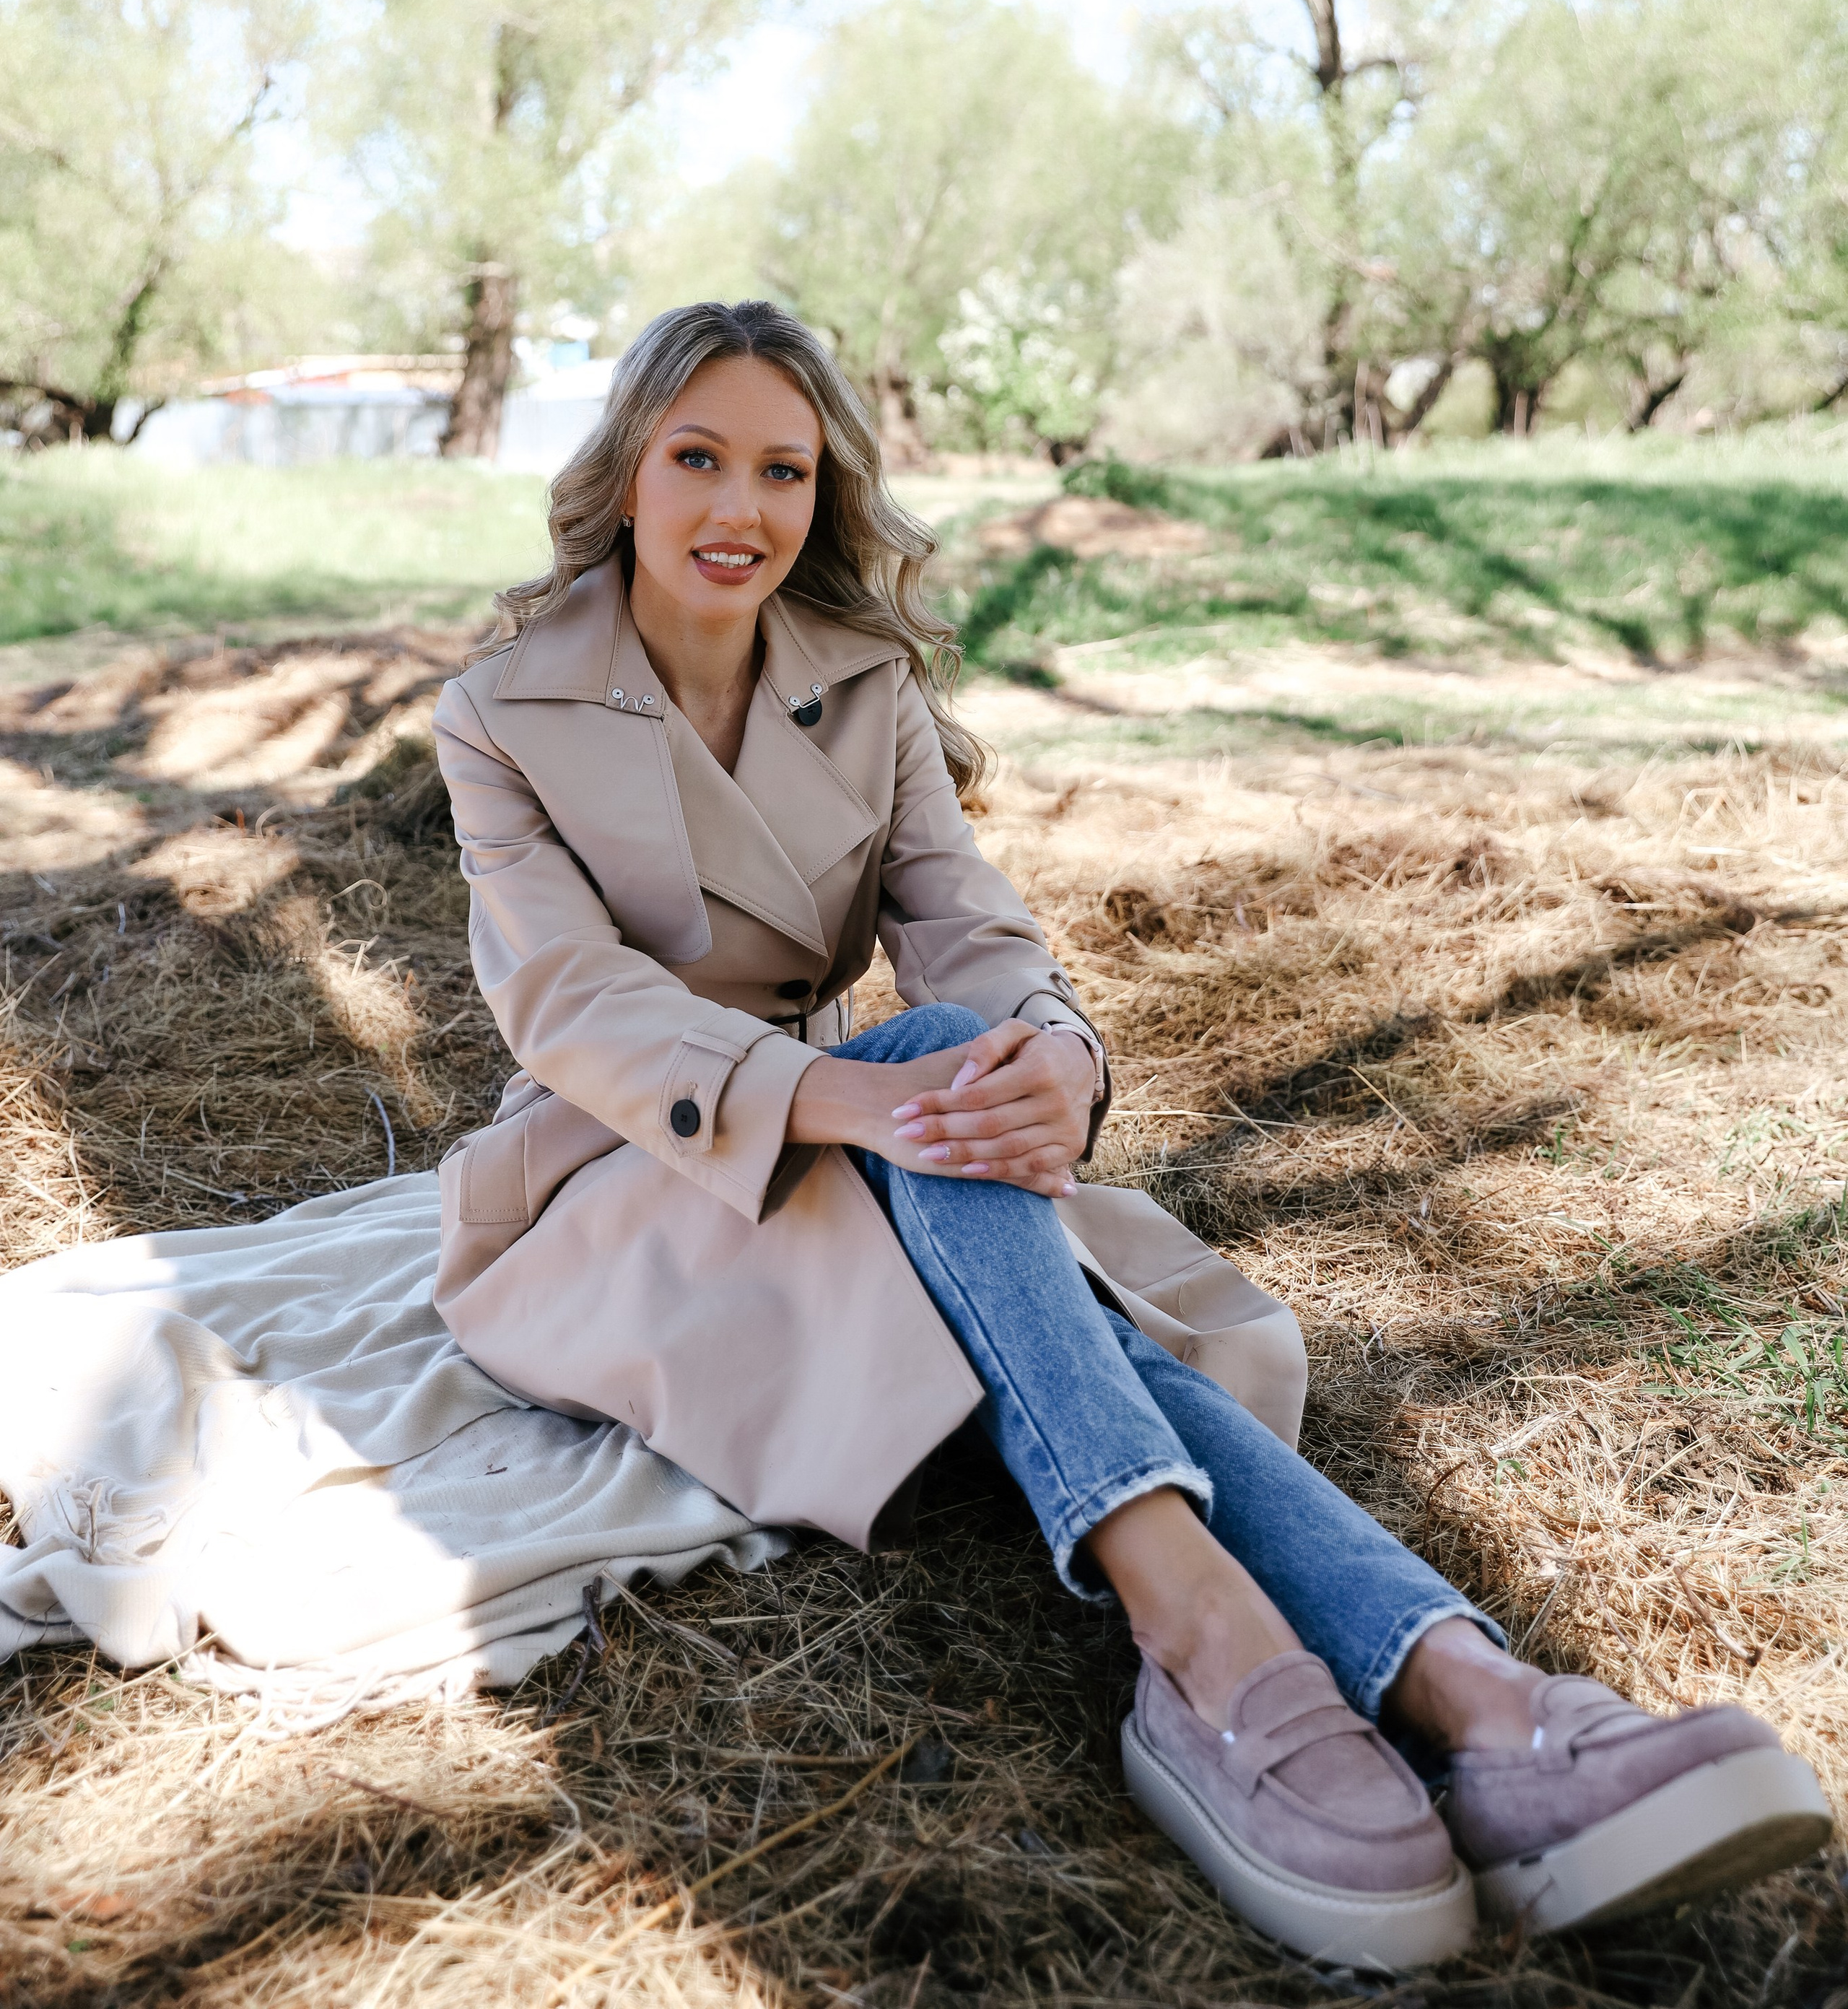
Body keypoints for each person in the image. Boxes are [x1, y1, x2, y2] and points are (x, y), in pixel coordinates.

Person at [430, 300, 1830, 1971]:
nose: (739, 508)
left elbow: (973, 929)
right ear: (626, 469)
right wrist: (858, 1094)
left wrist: (1060, 1063)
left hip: (894, 1142)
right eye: (698, 459)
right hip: (629, 1173)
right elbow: (573, 1007)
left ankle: (1335, 1686)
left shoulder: (861, 688)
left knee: (983, 1126)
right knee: (1040, 1268)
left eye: (783, 470)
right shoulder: (505, 709)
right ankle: (1405, 1687)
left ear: (826, 493)